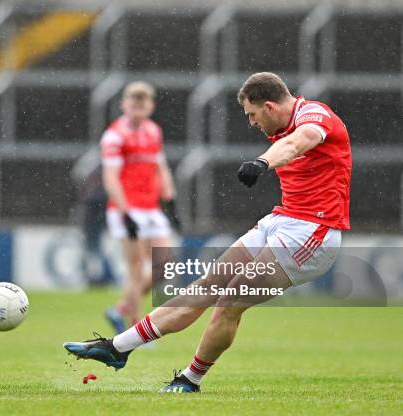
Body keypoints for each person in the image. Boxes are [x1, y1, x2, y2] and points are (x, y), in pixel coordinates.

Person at [64, 72, 351, 393]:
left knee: (230, 300)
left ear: (269, 106)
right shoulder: (281, 122)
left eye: (252, 115)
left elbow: (298, 143)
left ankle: (190, 379)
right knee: (206, 286)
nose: (252, 123)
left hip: (314, 232)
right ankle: (117, 348)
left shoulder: (314, 116)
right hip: (281, 220)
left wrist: (261, 162)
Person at [100, 81, 177, 334]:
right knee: (135, 269)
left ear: (150, 106)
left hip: (151, 207)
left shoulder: (153, 131)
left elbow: (160, 167)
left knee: (164, 265)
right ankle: (134, 328)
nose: (137, 107)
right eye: (133, 102)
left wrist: (170, 200)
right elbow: (111, 178)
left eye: (142, 103)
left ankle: (119, 309)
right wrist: (125, 213)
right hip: (126, 209)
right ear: (124, 104)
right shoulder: (114, 136)